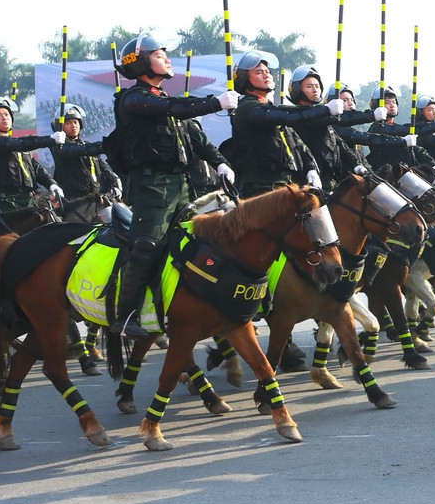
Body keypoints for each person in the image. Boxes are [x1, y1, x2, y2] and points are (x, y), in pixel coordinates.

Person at [109, 33, 240, 335]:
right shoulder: (134, 99)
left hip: (183, 184)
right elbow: (175, 108)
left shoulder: (164, 101)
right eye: (159, 54)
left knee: (204, 240)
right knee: (147, 244)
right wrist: (215, 102)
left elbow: (198, 139)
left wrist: (220, 162)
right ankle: (125, 317)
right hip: (151, 186)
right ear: (142, 62)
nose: (167, 58)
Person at [226, 51, 331, 196]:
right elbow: (292, 118)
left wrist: (310, 167)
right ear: (245, 78)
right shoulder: (248, 108)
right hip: (260, 186)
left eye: (267, 71)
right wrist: (326, 110)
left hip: (286, 183)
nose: (266, 75)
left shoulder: (271, 109)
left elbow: (296, 142)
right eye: (259, 72)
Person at [0, 96, 65, 215]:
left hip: (29, 200)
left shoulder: (16, 144)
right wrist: (50, 139)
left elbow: (37, 168)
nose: (4, 118)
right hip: (5, 202)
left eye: (7, 114)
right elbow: (21, 143)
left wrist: (52, 184)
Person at [50, 104, 121, 210]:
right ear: (60, 126)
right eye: (68, 123)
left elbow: (103, 169)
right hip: (74, 202)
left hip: (96, 198)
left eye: (75, 122)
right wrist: (106, 145)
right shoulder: (59, 147)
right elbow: (75, 150)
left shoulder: (87, 146)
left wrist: (114, 183)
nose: (73, 125)